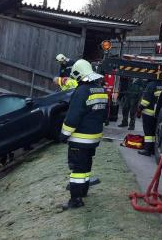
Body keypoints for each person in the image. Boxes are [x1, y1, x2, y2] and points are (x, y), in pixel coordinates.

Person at [59, 59, 107, 210]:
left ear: (78, 74)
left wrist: (63, 135)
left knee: (77, 171)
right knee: (86, 166)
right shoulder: (100, 90)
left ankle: (75, 200)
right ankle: (83, 191)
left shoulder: (81, 92)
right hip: (93, 139)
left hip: (80, 140)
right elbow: (105, 115)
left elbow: (72, 118)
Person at [137, 80, 162, 156]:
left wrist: (140, 108)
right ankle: (153, 149)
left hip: (148, 113)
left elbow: (146, 101)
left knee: (148, 133)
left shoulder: (151, 85)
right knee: (154, 132)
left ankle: (147, 150)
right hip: (157, 114)